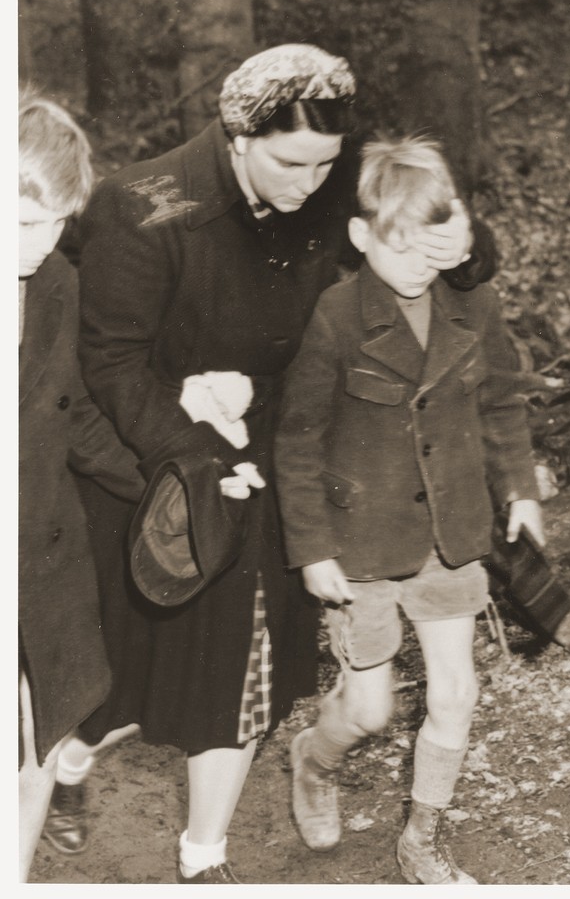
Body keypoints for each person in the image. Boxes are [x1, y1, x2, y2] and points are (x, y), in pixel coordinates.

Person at [50, 45, 488, 883]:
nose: (310, 182)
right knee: (122, 678)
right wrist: (191, 447)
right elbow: (109, 366)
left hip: (281, 458)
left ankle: (202, 855)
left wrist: (452, 230)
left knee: (240, 667)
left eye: (327, 162)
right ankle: (69, 763)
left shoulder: (335, 183)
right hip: (156, 464)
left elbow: (448, 256)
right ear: (237, 135)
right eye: (291, 162)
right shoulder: (142, 206)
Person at [274, 135, 543, 884]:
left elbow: (499, 402)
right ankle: (312, 758)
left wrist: (518, 487)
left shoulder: (471, 301)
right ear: (360, 237)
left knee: (457, 691)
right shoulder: (333, 318)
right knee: (369, 710)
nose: (421, 261)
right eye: (401, 245)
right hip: (359, 542)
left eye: (433, 243)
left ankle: (421, 836)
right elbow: (295, 443)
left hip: (448, 535)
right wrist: (312, 549)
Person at [17, 96, 142, 881]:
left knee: (38, 756)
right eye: (21, 219)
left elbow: (77, 419)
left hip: (42, 561)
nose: (38, 243)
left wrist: (166, 478)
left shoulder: (56, 281)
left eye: (56, 221)